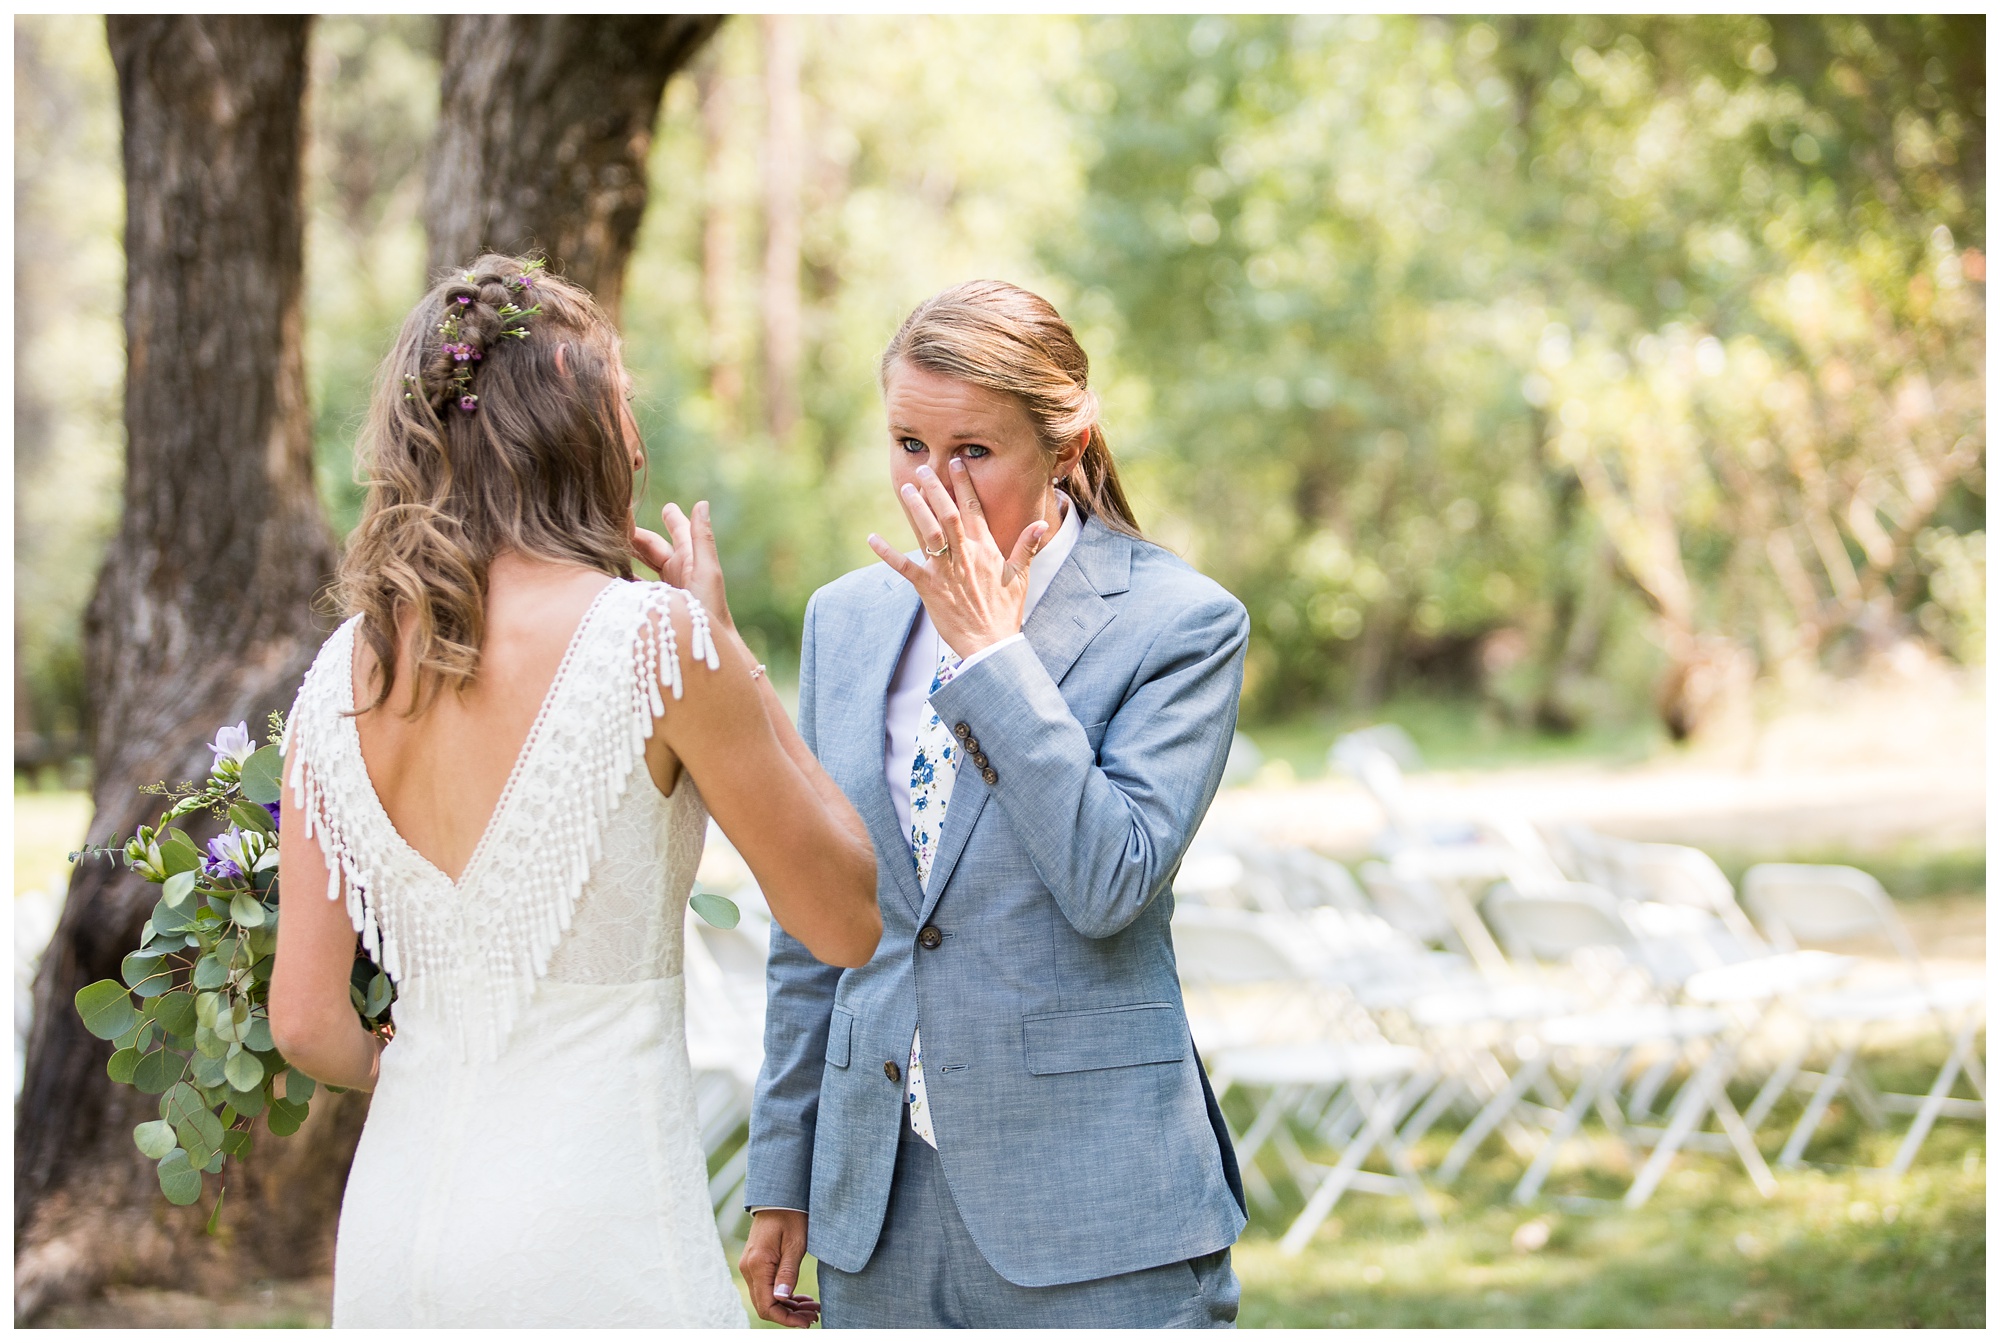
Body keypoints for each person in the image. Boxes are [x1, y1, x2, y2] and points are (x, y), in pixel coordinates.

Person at [269, 255, 880, 1328]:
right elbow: (843, 917)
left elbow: (309, 1022)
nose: (637, 439)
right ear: (580, 426)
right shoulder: (656, 641)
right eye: (624, 403)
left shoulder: (340, 675)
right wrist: (728, 648)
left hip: (394, 1228)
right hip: (594, 1222)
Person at [743, 280, 1251, 1329]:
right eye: (908, 445)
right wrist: (780, 1166)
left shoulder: (1178, 624)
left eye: (972, 450)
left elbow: (1109, 878)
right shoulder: (843, 621)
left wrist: (993, 653)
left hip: (1095, 1208)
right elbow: (818, 919)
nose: (935, 486)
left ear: (1064, 447)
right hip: (877, 1209)